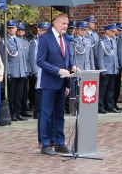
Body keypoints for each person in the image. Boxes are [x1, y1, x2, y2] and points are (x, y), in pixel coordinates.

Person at [37, 13, 78, 155]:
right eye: (63, 23)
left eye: (67, 24)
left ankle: (60, 143)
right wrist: (57, 70)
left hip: (62, 84)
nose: (65, 26)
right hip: (49, 83)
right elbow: (40, 61)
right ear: (55, 23)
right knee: (46, 114)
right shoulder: (44, 38)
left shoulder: (66, 39)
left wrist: (73, 67)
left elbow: (68, 58)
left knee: (60, 114)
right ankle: (46, 144)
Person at [6, 20, 28, 121]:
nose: (11, 30)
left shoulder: (19, 41)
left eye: (13, 28)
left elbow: (23, 57)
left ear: (16, 28)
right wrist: (8, 72)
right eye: (9, 28)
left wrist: (25, 70)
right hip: (12, 72)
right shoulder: (4, 41)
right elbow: (4, 58)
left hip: (21, 71)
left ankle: (18, 112)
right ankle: (12, 113)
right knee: (12, 94)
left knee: (19, 94)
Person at [97, 24, 120, 114]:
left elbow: (115, 56)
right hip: (105, 70)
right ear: (107, 31)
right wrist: (102, 69)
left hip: (113, 69)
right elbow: (100, 57)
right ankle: (100, 107)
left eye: (115, 31)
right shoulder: (102, 42)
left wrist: (117, 67)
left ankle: (110, 106)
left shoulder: (114, 41)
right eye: (113, 31)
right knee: (102, 90)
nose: (115, 33)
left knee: (111, 90)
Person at [113, 23, 122, 111]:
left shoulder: (120, 38)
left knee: (117, 87)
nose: (120, 32)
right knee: (112, 87)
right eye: (118, 30)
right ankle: (110, 104)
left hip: (119, 66)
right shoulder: (112, 39)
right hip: (112, 66)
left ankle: (115, 103)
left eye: (121, 30)